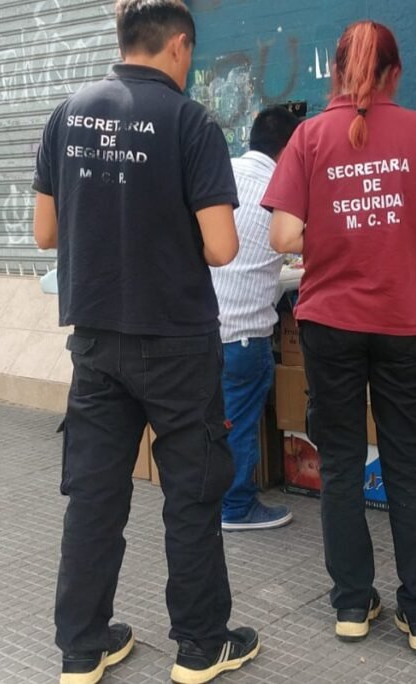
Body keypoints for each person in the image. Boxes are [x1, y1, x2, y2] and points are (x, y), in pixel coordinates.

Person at [32, 1, 260, 682]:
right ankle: (200, 645)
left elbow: (46, 234)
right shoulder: (191, 122)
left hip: (97, 339)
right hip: (178, 344)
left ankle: (82, 647)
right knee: (191, 493)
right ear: (180, 47)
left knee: (95, 495)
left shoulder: (67, 113)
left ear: (122, 41)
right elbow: (222, 246)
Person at [263, 20, 416, 655]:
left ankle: (352, 605)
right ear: (394, 73)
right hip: (406, 322)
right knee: (409, 463)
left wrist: (337, 238)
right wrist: (402, 237)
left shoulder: (308, 136)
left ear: (337, 72)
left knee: (343, 464)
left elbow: (282, 237)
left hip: (330, 324)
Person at [212, 105, 299, 532]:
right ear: (289, 149)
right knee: (239, 421)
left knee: (211, 420)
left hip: (202, 329)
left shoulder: (223, 172)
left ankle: (209, 497)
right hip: (244, 334)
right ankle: (237, 507)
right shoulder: (281, 190)